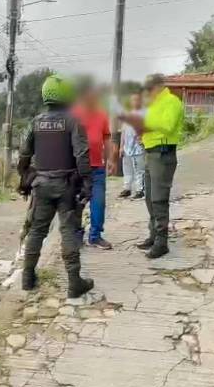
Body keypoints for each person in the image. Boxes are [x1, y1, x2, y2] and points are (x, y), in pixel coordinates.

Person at [18, 74, 94, 298]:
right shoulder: (72, 121)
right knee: (68, 230)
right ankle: (74, 283)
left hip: (41, 184)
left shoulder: (36, 122)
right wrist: (87, 182)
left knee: (37, 231)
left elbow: (24, 154)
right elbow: (81, 154)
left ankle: (27, 278)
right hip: (66, 186)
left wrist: (24, 176)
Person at [118, 74, 184, 259]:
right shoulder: (153, 105)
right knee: (149, 197)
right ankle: (154, 235)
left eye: (149, 89)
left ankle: (162, 242)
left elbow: (168, 125)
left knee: (159, 199)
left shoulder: (172, 101)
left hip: (163, 154)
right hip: (150, 153)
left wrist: (145, 124)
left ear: (158, 87)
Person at [71, 80, 113, 249]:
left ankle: (95, 236)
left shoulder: (102, 114)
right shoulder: (73, 114)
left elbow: (107, 138)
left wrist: (110, 159)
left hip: (97, 168)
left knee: (99, 203)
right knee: (76, 203)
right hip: (77, 168)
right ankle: (75, 236)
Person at [119, 93, 146, 200]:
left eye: (136, 99)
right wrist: (121, 146)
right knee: (127, 169)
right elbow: (123, 132)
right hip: (127, 147)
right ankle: (127, 189)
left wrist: (143, 140)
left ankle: (140, 190)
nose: (134, 102)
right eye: (133, 100)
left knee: (139, 169)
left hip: (138, 147)